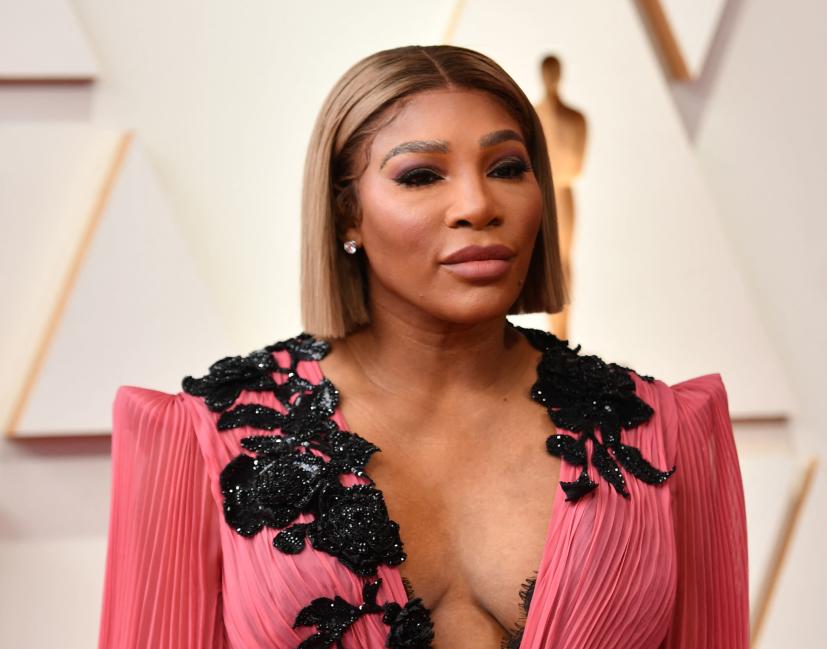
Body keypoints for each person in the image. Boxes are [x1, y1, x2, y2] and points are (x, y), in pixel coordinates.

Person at [98, 45, 749, 649]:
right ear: (346, 212)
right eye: (419, 175)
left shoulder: (664, 432)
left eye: (506, 168)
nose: (476, 203)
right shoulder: (205, 437)